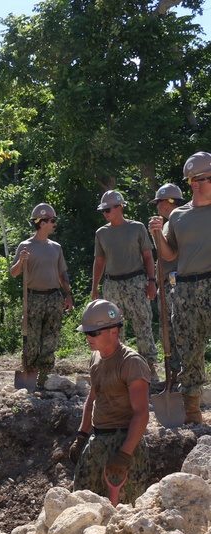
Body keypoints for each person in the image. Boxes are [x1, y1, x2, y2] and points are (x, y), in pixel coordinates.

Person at [148, 151, 211, 424]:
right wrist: (155, 235)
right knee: (190, 350)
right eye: (194, 179)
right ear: (189, 182)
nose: (199, 183)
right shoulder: (178, 216)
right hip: (184, 288)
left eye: (205, 178)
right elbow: (170, 254)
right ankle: (192, 413)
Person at [69, 299, 151, 504]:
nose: (88, 337)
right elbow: (93, 399)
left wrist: (124, 455)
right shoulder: (95, 357)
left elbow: (142, 413)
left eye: (93, 333)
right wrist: (81, 436)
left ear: (113, 331)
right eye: (85, 333)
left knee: (123, 509)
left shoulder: (131, 362)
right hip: (98, 439)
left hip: (124, 441)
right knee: (83, 504)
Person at [90, 190, 160, 384]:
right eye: (103, 210)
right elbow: (99, 261)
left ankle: (149, 369)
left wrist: (151, 281)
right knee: (111, 328)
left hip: (136, 282)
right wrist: (95, 288)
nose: (105, 213)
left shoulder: (137, 228)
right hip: (112, 285)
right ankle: (114, 368)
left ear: (119, 207)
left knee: (143, 325)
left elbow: (148, 256)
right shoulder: (101, 233)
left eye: (108, 209)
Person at [10, 203, 74, 388]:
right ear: (42, 222)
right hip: (33, 298)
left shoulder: (56, 247)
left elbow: (63, 275)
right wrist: (21, 261)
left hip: (54, 297)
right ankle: (29, 373)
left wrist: (68, 295)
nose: (55, 224)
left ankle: (44, 377)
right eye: (52, 220)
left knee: (50, 338)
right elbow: (14, 273)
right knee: (31, 338)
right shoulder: (26, 246)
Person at [149, 183, 187, 381]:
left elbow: (171, 256)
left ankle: (180, 375)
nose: (156, 206)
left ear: (167, 201)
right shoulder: (168, 223)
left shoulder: (179, 221)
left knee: (175, 331)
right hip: (167, 283)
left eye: (159, 202)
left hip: (176, 284)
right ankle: (174, 375)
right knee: (168, 331)